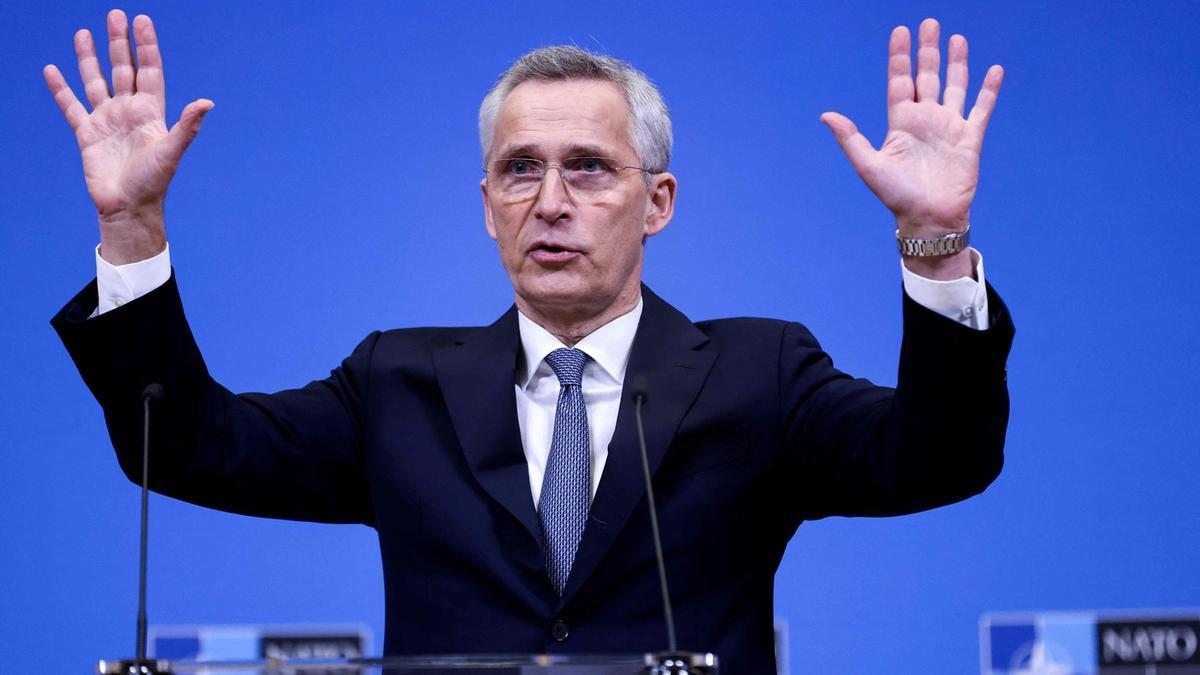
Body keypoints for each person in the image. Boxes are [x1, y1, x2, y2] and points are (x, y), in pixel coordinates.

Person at [47, 9, 1014, 673]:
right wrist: (132, 229)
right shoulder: (396, 384)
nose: (550, 203)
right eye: (520, 171)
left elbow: (939, 458)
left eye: (588, 169)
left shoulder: (760, 375)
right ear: (486, 207)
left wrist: (932, 245)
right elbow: (186, 444)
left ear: (658, 204)